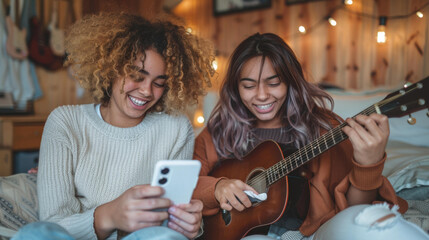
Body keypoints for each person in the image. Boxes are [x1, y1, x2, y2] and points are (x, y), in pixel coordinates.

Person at [191, 33, 425, 239]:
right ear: (236, 88)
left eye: (274, 83)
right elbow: (188, 183)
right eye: (249, 86)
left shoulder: (326, 127)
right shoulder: (219, 131)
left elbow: (355, 210)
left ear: (291, 82)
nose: (261, 95)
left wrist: (368, 164)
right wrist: (217, 187)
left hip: (312, 230)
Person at [12, 12, 215, 240]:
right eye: (137, 76)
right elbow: (53, 225)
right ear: (112, 68)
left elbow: (169, 223)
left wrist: (191, 227)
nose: (147, 91)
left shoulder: (176, 129)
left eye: (159, 83)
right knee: (34, 234)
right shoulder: (65, 122)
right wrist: (110, 216)